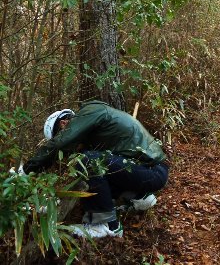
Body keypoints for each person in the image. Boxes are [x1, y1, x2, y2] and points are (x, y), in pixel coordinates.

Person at [22, 100, 169, 238]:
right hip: (151, 170)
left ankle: (105, 225)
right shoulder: (94, 128)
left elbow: (59, 144)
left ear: (63, 124)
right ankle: (140, 196)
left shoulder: (88, 113)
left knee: (86, 160)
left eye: (59, 135)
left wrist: (26, 170)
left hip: (152, 172)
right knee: (95, 167)